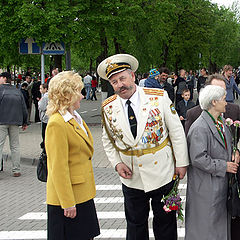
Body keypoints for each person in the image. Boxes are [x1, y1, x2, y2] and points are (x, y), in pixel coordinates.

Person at [98, 54, 189, 240]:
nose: (120, 85)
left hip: (163, 173)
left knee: (165, 223)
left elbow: (176, 132)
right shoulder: (108, 107)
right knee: (135, 225)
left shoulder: (158, 97)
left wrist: (181, 162)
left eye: (122, 78)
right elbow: (107, 139)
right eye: (114, 82)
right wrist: (116, 163)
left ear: (132, 75)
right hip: (131, 176)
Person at [45, 71, 100, 240]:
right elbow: (58, 168)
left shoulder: (74, 117)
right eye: (78, 91)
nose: (82, 96)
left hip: (82, 194)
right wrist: (67, 202)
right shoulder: (57, 123)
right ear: (67, 94)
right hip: (68, 200)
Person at [185, 84, 238, 240]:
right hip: (206, 188)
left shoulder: (220, 121)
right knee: (206, 227)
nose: (226, 102)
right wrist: (224, 166)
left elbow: (227, 145)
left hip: (218, 184)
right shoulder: (200, 127)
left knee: (217, 225)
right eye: (223, 99)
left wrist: (234, 152)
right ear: (214, 102)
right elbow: (198, 158)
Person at [0, 72, 28, 177]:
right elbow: (23, 107)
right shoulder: (17, 91)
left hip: (1, 121)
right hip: (15, 122)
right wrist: (25, 122)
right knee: (15, 146)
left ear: (3, 78)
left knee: (0, 146)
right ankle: (16, 169)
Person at [38, 83, 49, 153]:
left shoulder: (45, 97)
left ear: (45, 89)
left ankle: (45, 150)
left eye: (41, 88)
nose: (40, 90)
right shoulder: (50, 96)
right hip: (48, 117)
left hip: (45, 118)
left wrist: (39, 102)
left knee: (44, 134)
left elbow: (42, 107)